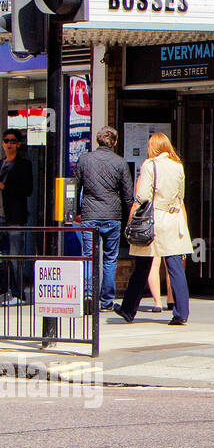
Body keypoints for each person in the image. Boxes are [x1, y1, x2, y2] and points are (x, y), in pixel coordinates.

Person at [114, 133, 191, 326]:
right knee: (175, 267)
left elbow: (142, 196)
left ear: (153, 147)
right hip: (173, 219)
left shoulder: (150, 165)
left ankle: (128, 309)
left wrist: (133, 215)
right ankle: (181, 313)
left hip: (153, 220)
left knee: (141, 266)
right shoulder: (178, 166)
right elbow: (180, 196)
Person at [73, 126, 134, 311]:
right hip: (112, 215)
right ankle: (106, 300)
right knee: (110, 258)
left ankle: (88, 294)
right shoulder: (120, 163)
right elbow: (127, 194)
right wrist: (129, 215)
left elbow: (75, 187)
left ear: (97, 140)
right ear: (115, 142)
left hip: (90, 214)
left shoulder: (84, 160)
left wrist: (76, 210)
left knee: (88, 256)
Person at [0, 129, 34, 305]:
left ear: (18, 144)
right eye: (6, 141)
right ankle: (4, 291)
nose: (9, 144)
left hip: (14, 216)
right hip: (1, 215)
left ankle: (18, 293)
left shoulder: (24, 165)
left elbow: (28, 190)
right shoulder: (0, 164)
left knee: (15, 256)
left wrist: (6, 188)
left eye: (13, 141)